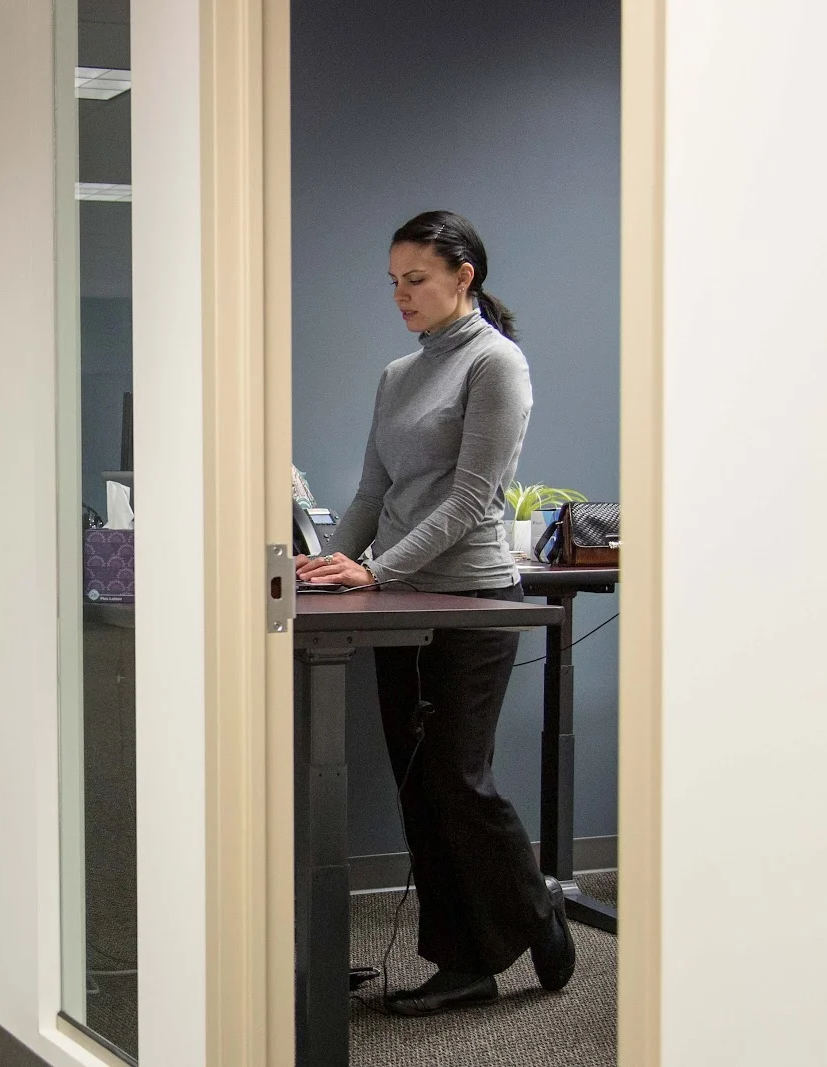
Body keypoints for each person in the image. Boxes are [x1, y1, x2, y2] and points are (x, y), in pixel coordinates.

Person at [295, 210, 575, 1013]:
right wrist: (321, 568)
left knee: (458, 777)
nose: (401, 295)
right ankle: (466, 963)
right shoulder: (397, 375)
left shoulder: (496, 364)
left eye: (415, 279)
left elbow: (472, 499)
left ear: (464, 276)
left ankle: (535, 909)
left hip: (473, 598)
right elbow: (372, 493)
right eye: (393, 282)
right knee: (420, 786)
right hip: (402, 596)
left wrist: (375, 567)